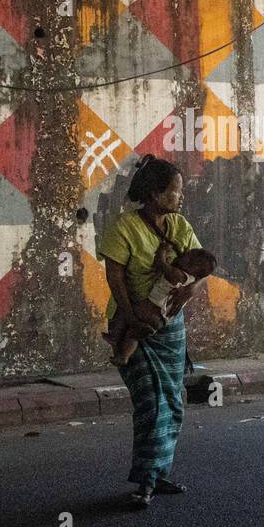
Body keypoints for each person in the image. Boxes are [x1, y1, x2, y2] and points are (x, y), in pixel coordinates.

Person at [97, 155, 203, 508]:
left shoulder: (180, 226)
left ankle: (159, 474)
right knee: (150, 403)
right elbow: (114, 278)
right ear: (155, 194)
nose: (179, 197)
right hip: (132, 324)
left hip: (171, 327)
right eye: (174, 191)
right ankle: (145, 480)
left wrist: (189, 290)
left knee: (172, 401)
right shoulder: (124, 228)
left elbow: (200, 266)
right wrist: (132, 319)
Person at [103, 244, 216, 366]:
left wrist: (162, 250)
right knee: (133, 334)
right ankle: (124, 356)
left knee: (125, 308)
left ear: (194, 269)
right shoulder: (191, 282)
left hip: (150, 309)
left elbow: (159, 264)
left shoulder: (177, 275)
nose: (183, 257)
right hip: (161, 319)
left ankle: (115, 336)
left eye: (188, 259)